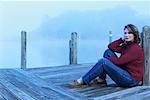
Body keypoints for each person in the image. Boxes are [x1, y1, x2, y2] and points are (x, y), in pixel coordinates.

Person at [69, 24, 144, 87]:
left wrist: (105, 60)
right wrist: (121, 40)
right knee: (108, 52)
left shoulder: (135, 48)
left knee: (103, 61)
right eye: (125, 33)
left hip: (131, 80)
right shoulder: (127, 45)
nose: (127, 35)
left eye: (129, 33)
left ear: (134, 34)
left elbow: (119, 61)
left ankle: (82, 80)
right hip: (125, 73)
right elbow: (111, 46)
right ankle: (101, 80)